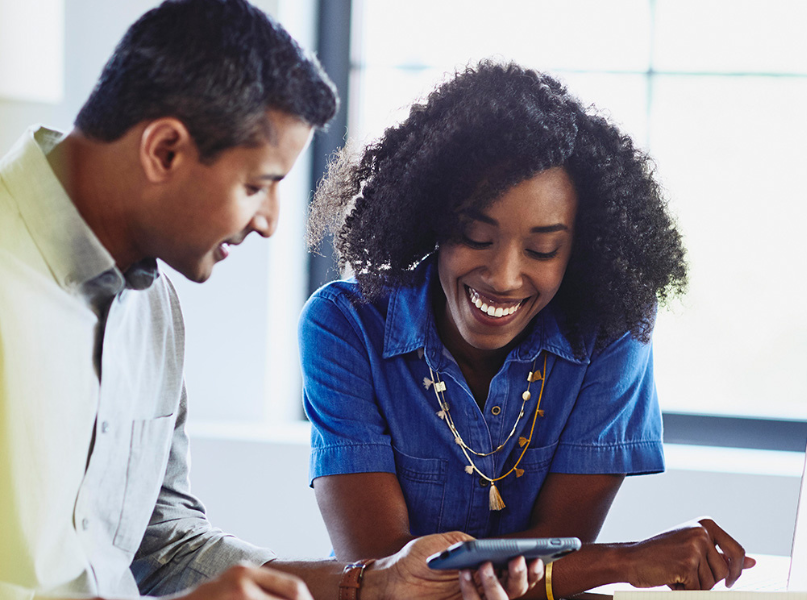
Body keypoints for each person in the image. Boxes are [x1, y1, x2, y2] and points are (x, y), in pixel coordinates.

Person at [0, 3, 540, 599]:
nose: (270, 222)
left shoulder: (151, 306)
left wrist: (368, 583)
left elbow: (162, 545)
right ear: (164, 151)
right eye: (257, 185)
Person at [300, 61, 757, 598]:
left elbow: (559, 549)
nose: (503, 276)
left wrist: (589, 564)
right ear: (432, 223)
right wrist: (625, 561)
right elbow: (391, 576)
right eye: (475, 235)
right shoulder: (346, 324)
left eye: (542, 249)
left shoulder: (611, 332)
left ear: (579, 249)